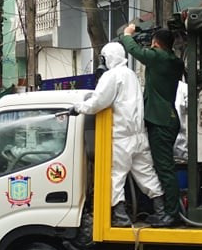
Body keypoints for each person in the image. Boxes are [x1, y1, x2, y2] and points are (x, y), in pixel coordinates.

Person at [71, 41, 172, 227]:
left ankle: (121, 217)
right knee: (146, 173)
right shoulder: (131, 74)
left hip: (122, 137)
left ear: (106, 58)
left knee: (116, 176)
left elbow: (97, 102)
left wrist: (78, 107)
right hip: (139, 136)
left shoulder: (112, 76)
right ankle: (161, 212)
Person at [120, 24, 185, 226]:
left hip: (160, 120)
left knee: (165, 169)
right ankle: (167, 210)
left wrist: (127, 35)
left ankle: (172, 214)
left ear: (156, 43)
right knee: (162, 167)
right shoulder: (174, 61)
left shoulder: (159, 58)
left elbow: (134, 50)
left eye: (152, 43)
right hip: (167, 119)